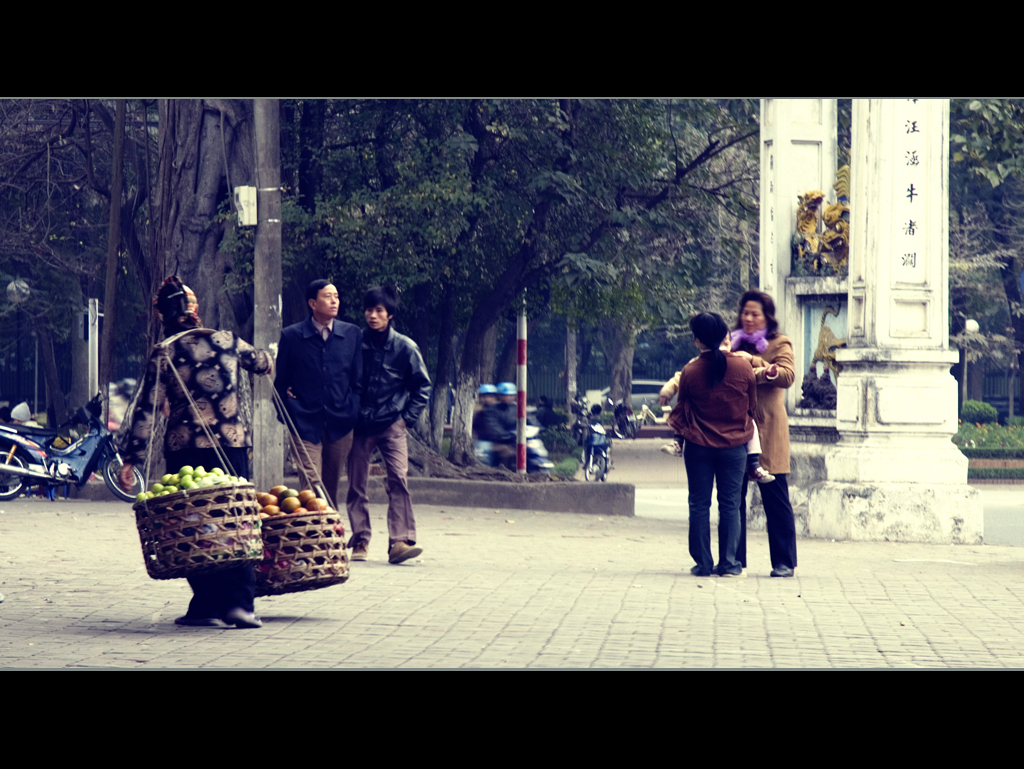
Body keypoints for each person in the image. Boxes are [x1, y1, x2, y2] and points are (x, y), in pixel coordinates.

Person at [120, 276, 274, 628]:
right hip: (231, 446)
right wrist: (266, 363)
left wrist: (133, 459)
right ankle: (239, 605)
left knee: (194, 525)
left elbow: (147, 410)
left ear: (163, 316)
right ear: (195, 310)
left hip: (185, 450)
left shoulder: (165, 352)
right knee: (234, 519)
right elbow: (262, 363)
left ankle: (205, 602)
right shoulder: (227, 340)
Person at [346, 286, 432, 565]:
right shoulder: (354, 343)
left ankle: (400, 541)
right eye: (369, 310)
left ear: (390, 315)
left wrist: (407, 417)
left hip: (392, 423)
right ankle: (360, 540)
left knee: (398, 479)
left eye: (379, 310)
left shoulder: (405, 347)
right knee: (357, 484)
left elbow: (422, 386)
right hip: (359, 424)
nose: (373, 315)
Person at [668, 312, 757, 578]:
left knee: (698, 504)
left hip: (699, 447)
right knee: (730, 505)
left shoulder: (691, 371)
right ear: (725, 336)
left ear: (697, 340)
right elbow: (752, 406)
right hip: (735, 448)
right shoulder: (743, 368)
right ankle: (729, 564)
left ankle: (703, 564)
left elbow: (682, 410)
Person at [275, 280, 362, 510]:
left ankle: (328, 535)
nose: (334, 301)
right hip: (304, 422)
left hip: (340, 422)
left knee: (330, 486)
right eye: (328, 296)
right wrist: (289, 414)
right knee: (313, 486)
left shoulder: (351, 334)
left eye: (336, 296)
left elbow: (358, 380)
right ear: (313, 303)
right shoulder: (292, 336)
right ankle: (314, 535)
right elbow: (280, 382)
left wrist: (352, 410)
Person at [730, 289, 798, 578]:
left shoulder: (779, 343)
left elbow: (786, 375)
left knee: (775, 497)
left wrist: (755, 362)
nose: (749, 318)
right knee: (733, 498)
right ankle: (733, 560)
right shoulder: (730, 343)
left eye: (755, 314)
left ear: (766, 317)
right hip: (735, 427)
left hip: (768, 429)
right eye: (745, 312)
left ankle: (783, 562)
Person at [659, 345, 775, 484]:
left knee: (751, 424)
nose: (723, 345)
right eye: (720, 341)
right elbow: (680, 377)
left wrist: (766, 373)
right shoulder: (697, 363)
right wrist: (668, 389)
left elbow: (753, 374)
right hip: (703, 420)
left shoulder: (736, 362)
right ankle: (678, 442)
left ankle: (753, 465)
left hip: (731, 418)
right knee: (684, 406)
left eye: (726, 341)